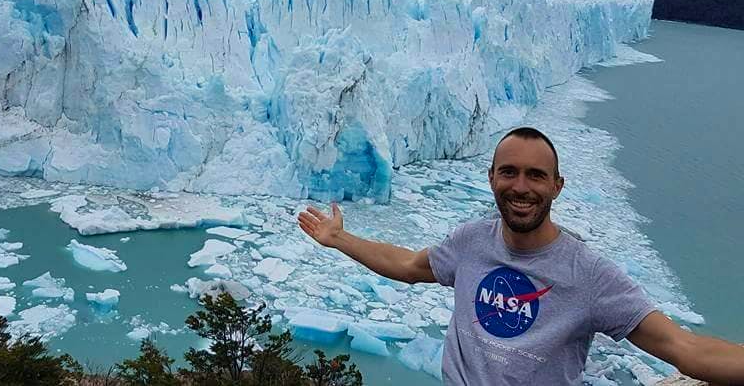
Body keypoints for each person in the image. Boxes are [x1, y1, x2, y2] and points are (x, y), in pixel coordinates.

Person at [298, 126, 744, 385]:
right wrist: (341, 239)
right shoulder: (471, 241)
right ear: (491, 177)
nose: (521, 187)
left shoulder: (587, 274)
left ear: (557, 186)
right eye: (509, 172)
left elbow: (681, 346)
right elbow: (411, 266)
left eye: (536, 175)